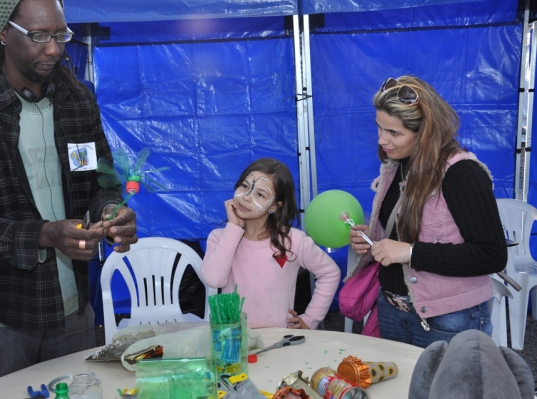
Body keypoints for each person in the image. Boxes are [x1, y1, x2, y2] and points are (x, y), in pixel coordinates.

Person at [0, 0, 138, 384]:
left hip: (72, 310)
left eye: (61, 34)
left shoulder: (78, 102)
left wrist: (110, 211)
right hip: (0, 319)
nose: (55, 49)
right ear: (4, 33)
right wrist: (42, 235)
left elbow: (99, 182)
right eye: (39, 35)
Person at [348, 75, 507, 348]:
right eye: (379, 128)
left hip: (449, 320)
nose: (382, 140)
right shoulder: (397, 164)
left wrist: (410, 252)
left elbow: (491, 254)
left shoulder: (462, 173)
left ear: (425, 131)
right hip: (392, 310)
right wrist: (373, 235)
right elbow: (405, 227)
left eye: (394, 133)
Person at [201, 158, 341, 329]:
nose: (246, 197)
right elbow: (213, 280)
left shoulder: (293, 240)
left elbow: (330, 273)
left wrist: (311, 318)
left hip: (279, 341)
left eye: (260, 194)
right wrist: (233, 229)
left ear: (274, 206)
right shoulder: (220, 238)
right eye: (244, 186)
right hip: (234, 340)